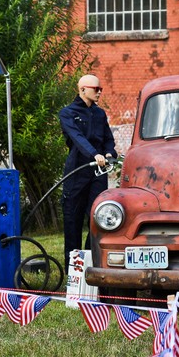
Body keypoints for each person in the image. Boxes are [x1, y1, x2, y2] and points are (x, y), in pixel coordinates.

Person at [59, 74, 117, 263]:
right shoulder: (68, 113)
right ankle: (72, 271)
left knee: (98, 219)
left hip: (98, 173)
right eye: (96, 89)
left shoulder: (100, 114)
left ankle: (91, 262)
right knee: (72, 220)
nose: (99, 92)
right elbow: (77, 138)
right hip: (78, 170)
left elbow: (108, 138)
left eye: (101, 89)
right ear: (82, 89)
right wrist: (94, 154)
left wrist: (109, 153)